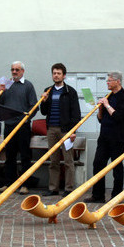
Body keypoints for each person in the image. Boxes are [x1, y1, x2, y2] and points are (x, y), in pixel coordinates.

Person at [87, 71, 124, 204]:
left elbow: (118, 117)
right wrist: (100, 109)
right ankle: (98, 195)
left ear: (117, 82)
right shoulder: (109, 96)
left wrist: (107, 105)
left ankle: (116, 196)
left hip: (117, 137)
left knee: (116, 166)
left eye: (109, 81)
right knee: (98, 164)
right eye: (107, 81)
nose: (107, 83)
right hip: (104, 136)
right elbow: (101, 119)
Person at [39, 63, 81, 196]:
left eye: (58, 73)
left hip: (66, 130)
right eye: (54, 73)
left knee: (68, 160)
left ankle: (68, 188)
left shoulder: (70, 91)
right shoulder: (48, 91)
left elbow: (76, 113)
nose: (56, 75)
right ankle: (53, 188)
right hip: (51, 129)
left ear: (64, 75)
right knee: (53, 161)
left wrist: (73, 131)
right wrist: (44, 101)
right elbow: (44, 112)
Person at [0, 61, 38, 195]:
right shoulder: (7, 85)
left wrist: (26, 119)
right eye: (12, 70)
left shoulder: (28, 85)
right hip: (9, 125)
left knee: (25, 156)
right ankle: (9, 183)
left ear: (22, 71)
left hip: (23, 127)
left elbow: (34, 106)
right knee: (9, 156)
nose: (14, 72)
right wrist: (0, 92)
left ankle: (24, 184)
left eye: (17, 70)